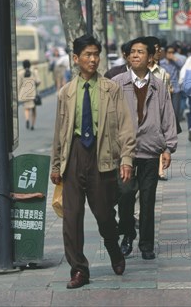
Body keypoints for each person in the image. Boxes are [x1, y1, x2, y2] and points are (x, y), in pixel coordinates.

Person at [50, 34, 136, 289]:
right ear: (76, 59)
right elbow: (59, 131)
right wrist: (56, 165)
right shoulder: (65, 93)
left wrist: (127, 159)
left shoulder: (112, 89)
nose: (93, 59)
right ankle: (79, 270)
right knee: (71, 218)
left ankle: (114, 250)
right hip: (74, 157)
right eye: (87, 55)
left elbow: (125, 127)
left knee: (105, 216)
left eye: (96, 54)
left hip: (103, 157)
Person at [112, 37, 178, 260]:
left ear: (150, 58)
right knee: (126, 193)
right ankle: (128, 233)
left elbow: (168, 116)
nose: (135, 55)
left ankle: (147, 245)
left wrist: (168, 147)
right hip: (125, 153)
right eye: (132, 52)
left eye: (140, 52)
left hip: (150, 150)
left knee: (148, 199)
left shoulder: (158, 86)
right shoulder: (118, 83)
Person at [146, 36, 171, 180]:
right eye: (155, 49)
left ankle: (160, 170)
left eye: (159, 49)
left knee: (159, 138)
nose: (158, 52)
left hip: (158, 110)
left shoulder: (161, 72)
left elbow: (166, 94)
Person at [160, 44, 185, 133]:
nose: (170, 54)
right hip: (165, 88)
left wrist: (174, 58)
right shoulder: (161, 63)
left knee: (175, 109)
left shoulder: (176, 62)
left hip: (175, 88)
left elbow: (183, 66)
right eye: (169, 52)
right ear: (165, 53)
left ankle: (174, 127)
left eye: (172, 52)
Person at [18, 59, 40, 130]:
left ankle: (27, 120)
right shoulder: (34, 72)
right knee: (34, 110)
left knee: (26, 108)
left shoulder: (20, 73)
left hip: (24, 94)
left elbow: (18, 84)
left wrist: (18, 93)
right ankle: (32, 125)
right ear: (30, 65)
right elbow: (38, 81)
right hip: (33, 93)